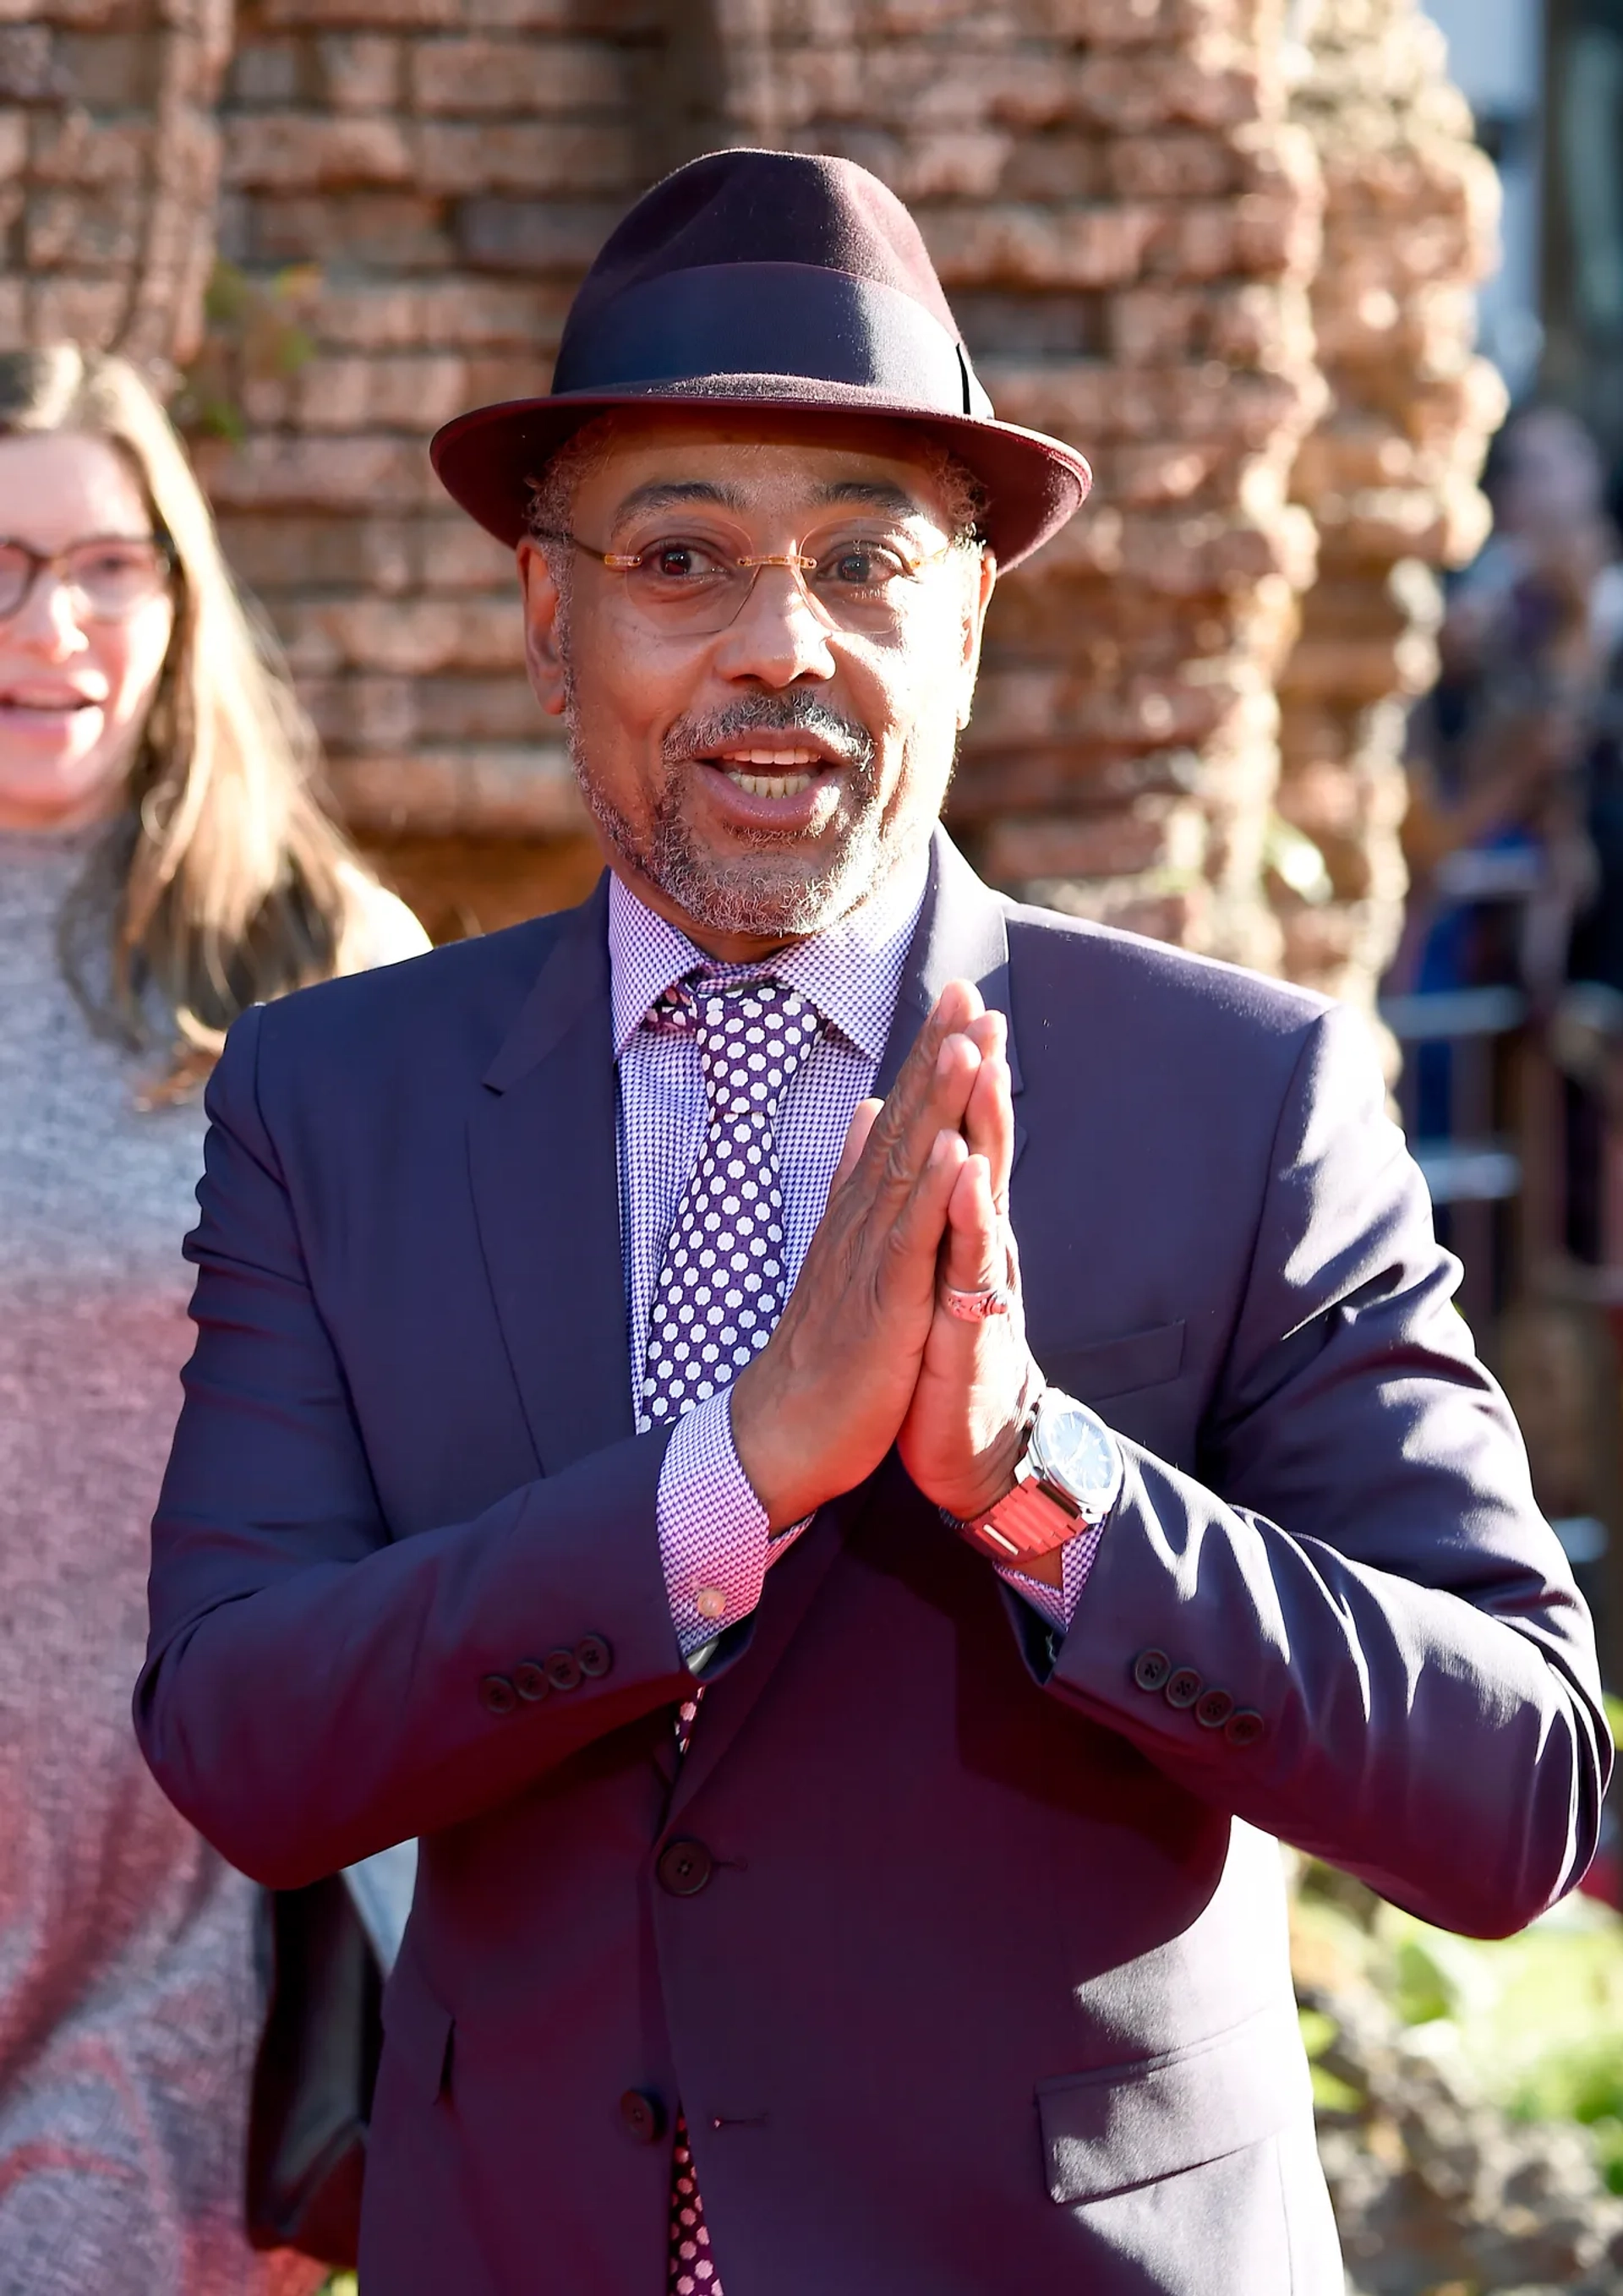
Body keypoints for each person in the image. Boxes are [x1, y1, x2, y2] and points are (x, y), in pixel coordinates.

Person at [136, 154, 1609, 2296]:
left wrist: (1044, 1481)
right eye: (680, 558)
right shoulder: (329, 1101)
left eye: (863, 558)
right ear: (551, 618)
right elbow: (245, 1744)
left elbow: (1518, 1785)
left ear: (973, 614)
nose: (779, 645)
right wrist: (720, 1486)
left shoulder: (1236, 1094)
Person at [0, 344, 428, 2294]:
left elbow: (438, 1475)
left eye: (109, 563)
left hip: (179, 1917)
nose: (56, 624)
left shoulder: (316, 964)